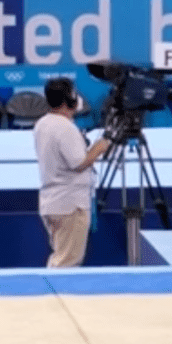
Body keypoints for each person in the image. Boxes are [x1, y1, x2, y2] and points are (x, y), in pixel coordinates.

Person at [34, 78, 111, 268]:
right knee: (67, 262)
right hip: (69, 205)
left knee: (62, 255)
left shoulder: (42, 124)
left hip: (53, 202)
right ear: (68, 99)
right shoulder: (65, 128)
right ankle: (53, 296)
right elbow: (79, 163)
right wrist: (99, 148)